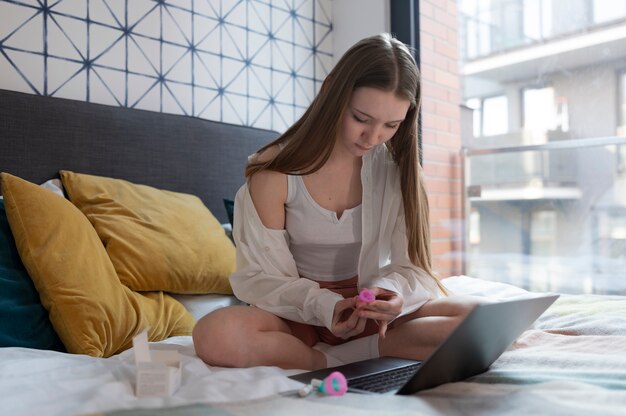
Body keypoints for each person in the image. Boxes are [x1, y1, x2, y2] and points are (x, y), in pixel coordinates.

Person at [193, 33, 480, 371]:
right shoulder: (274, 172)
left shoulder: (399, 171)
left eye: (391, 125)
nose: (373, 138)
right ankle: (322, 359)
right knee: (215, 334)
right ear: (331, 90)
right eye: (361, 118)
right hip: (297, 316)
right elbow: (260, 279)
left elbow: (413, 266)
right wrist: (326, 307)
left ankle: (363, 349)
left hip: (369, 311)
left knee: (479, 318)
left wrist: (390, 295)